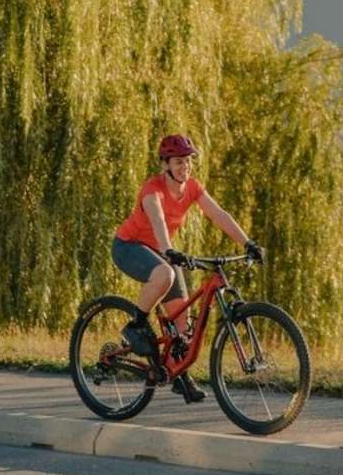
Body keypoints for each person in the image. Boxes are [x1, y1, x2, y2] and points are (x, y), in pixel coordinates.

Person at [112, 134, 264, 403]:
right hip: (129, 246)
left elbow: (218, 214)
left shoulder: (192, 187)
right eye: (179, 162)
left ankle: (178, 376)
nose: (185, 167)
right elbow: (157, 219)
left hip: (162, 251)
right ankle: (135, 324)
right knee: (165, 273)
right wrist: (169, 250)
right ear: (166, 165)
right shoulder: (153, 189)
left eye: (188, 162)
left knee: (183, 326)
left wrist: (248, 242)